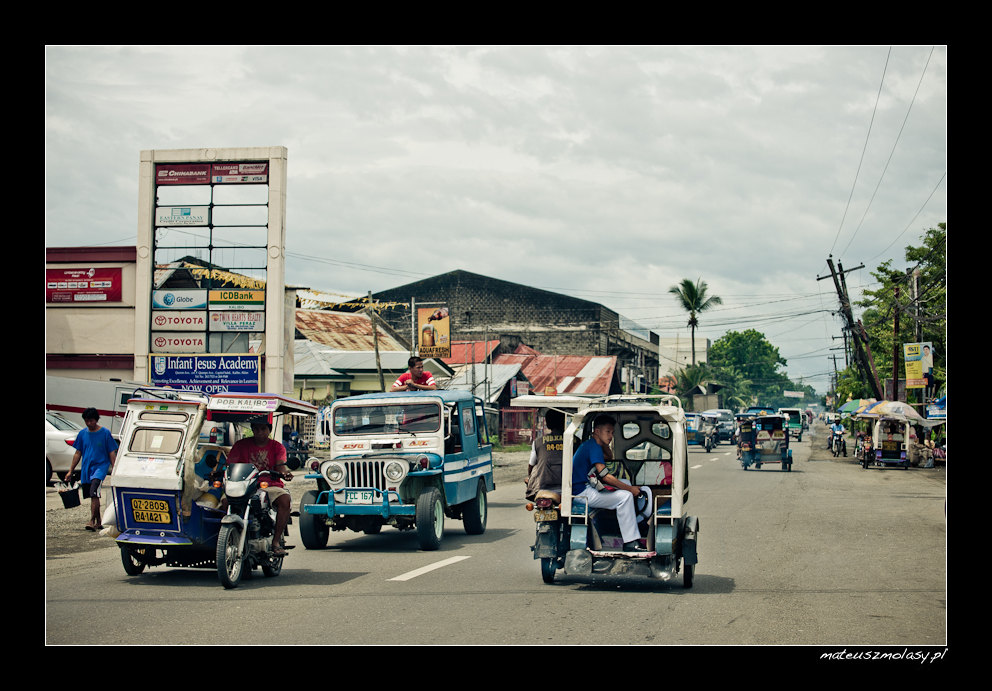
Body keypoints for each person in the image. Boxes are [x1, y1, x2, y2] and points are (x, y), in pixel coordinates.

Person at [571, 414, 647, 552]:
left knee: (625, 482)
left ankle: (629, 524)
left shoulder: (592, 445)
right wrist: (630, 489)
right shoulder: (592, 447)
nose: (611, 436)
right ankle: (630, 541)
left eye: (612, 432)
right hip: (581, 492)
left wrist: (603, 441)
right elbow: (605, 476)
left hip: (585, 487)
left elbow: (609, 456)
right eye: (607, 432)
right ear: (597, 431)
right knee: (626, 497)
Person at [227, 419, 293, 556]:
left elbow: (281, 464)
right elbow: (230, 465)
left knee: (285, 500)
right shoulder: (241, 445)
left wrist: (285, 472)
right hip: (243, 485)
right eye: (256, 429)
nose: (259, 432)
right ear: (252, 429)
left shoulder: (277, 447)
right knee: (224, 502)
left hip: (269, 485)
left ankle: (275, 542)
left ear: (269, 430)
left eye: (263, 429)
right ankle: (223, 540)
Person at [64, 408, 118, 532]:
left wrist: (114, 469)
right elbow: (78, 453)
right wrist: (70, 470)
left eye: (91, 421)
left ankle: (91, 520)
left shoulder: (105, 433)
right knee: (93, 495)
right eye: (86, 421)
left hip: (100, 468)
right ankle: (99, 522)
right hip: (87, 469)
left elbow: (111, 452)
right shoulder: (83, 434)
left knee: (94, 491)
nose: (89, 423)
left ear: (96, 420)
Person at [525, 409, 566, 501]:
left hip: (544, 485)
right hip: (570, 485)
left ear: (547, 423)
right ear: (564, 422)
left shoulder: (538, 442)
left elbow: (531, 465)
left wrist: (529, 477)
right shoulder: (575, 441)